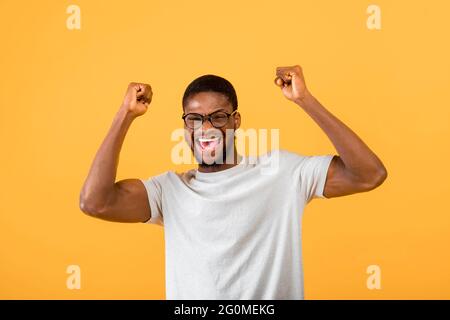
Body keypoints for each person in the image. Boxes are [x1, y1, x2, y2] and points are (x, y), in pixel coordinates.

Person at [79, 65, 387, 299]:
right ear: (185, 126)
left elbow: (369, 174)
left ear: (236, 121)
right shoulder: (169, 192)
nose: (206, 128)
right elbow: (95, 202)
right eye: (195, 119)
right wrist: (125, 114)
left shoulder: (281, 174)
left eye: (218, 117)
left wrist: (305, 100)